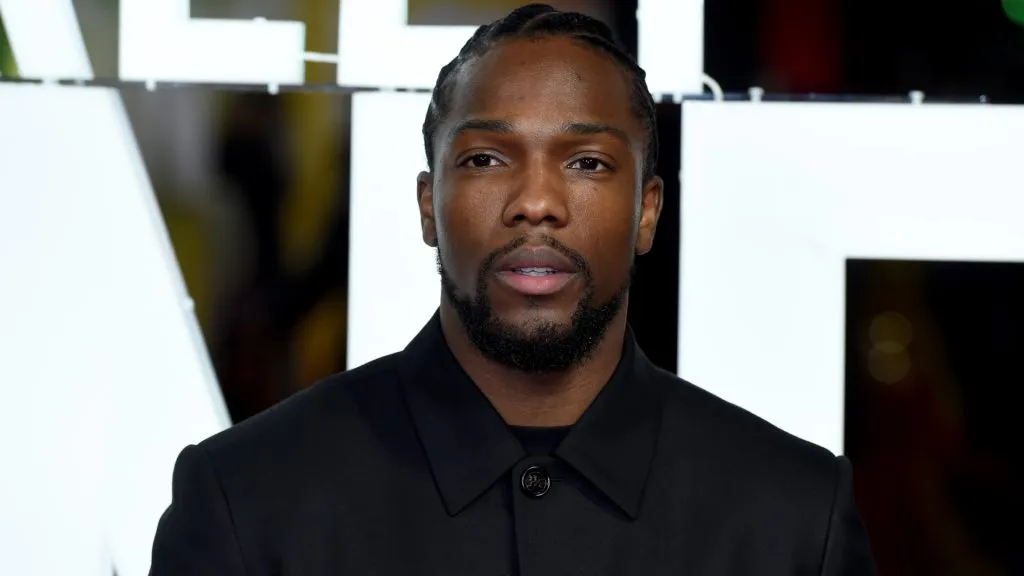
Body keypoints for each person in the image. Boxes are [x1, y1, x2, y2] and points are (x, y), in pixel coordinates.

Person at [149, 4, 877, 574]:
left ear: (647, 211)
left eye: (587, 163)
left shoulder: (793, 518)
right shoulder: (247, 498)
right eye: (487, 159)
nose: (535, 202)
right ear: (428, 205)